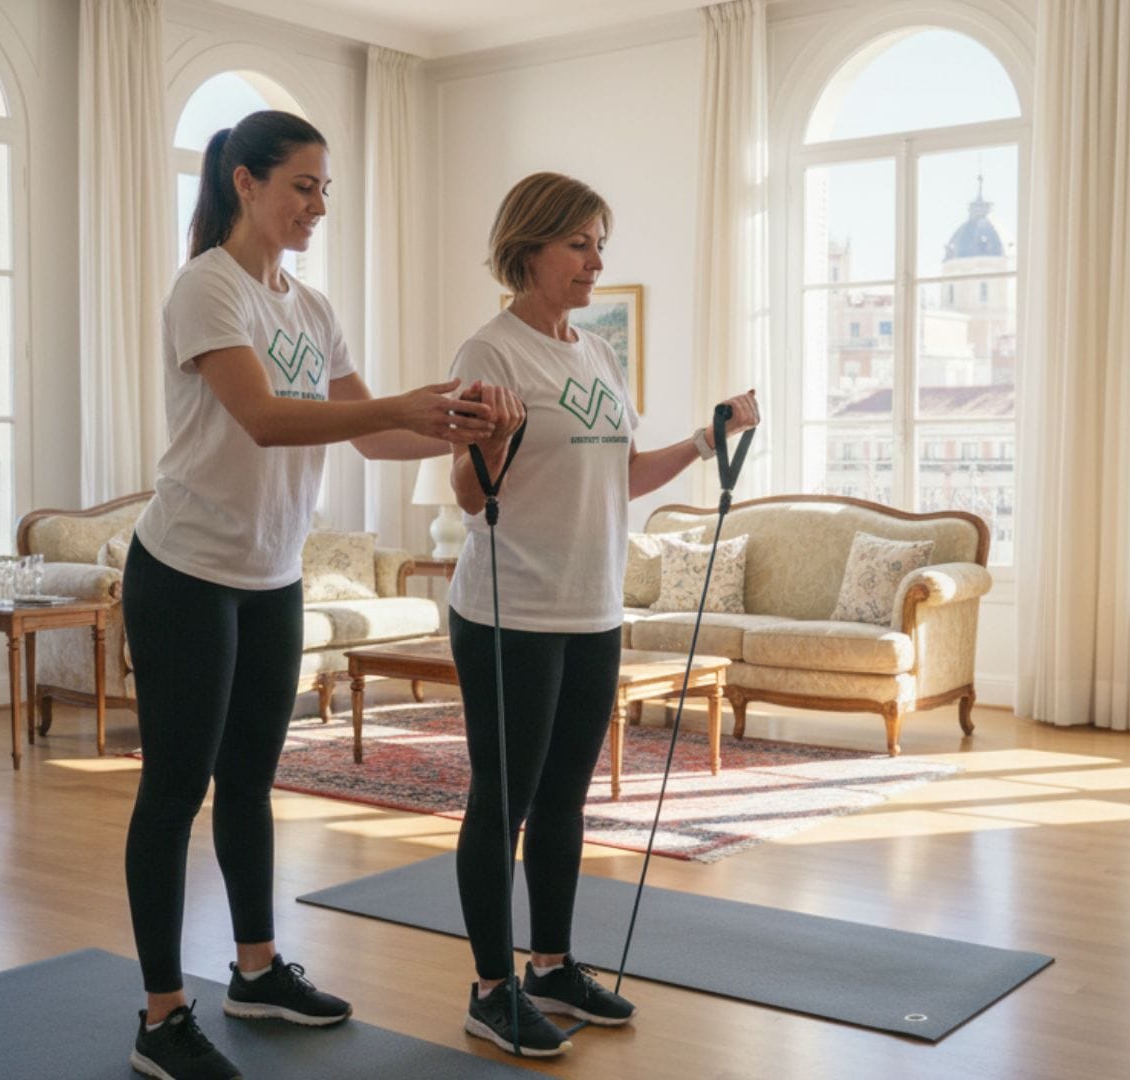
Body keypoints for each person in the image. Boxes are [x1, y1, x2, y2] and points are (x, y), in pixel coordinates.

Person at [123, 110, 508, 1080]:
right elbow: (260, 418)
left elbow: (375, 439)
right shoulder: (206, 288)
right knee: (174, 792)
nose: (318, 205)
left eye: (327, 188)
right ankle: (162, 1016)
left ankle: (255, 971)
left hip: (269, 576)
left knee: (250, 781)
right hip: (184, 573)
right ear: (245, 183)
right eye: (303, 185)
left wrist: (469, 428)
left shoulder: (312, 304)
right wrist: (398, 404)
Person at [445, 171, 760, 1058]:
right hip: (510, 610)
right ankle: (490, 988)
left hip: (591, 608)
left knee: (564, 801)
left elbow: (619, 477)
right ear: (530, 249)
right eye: (579, 243)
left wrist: (707, 440)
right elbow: (469, 493)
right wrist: (496, 441)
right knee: (499, 802)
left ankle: (549, 964)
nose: (594, 261)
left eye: (598, 244)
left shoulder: (597, 353)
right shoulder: (491, 351)